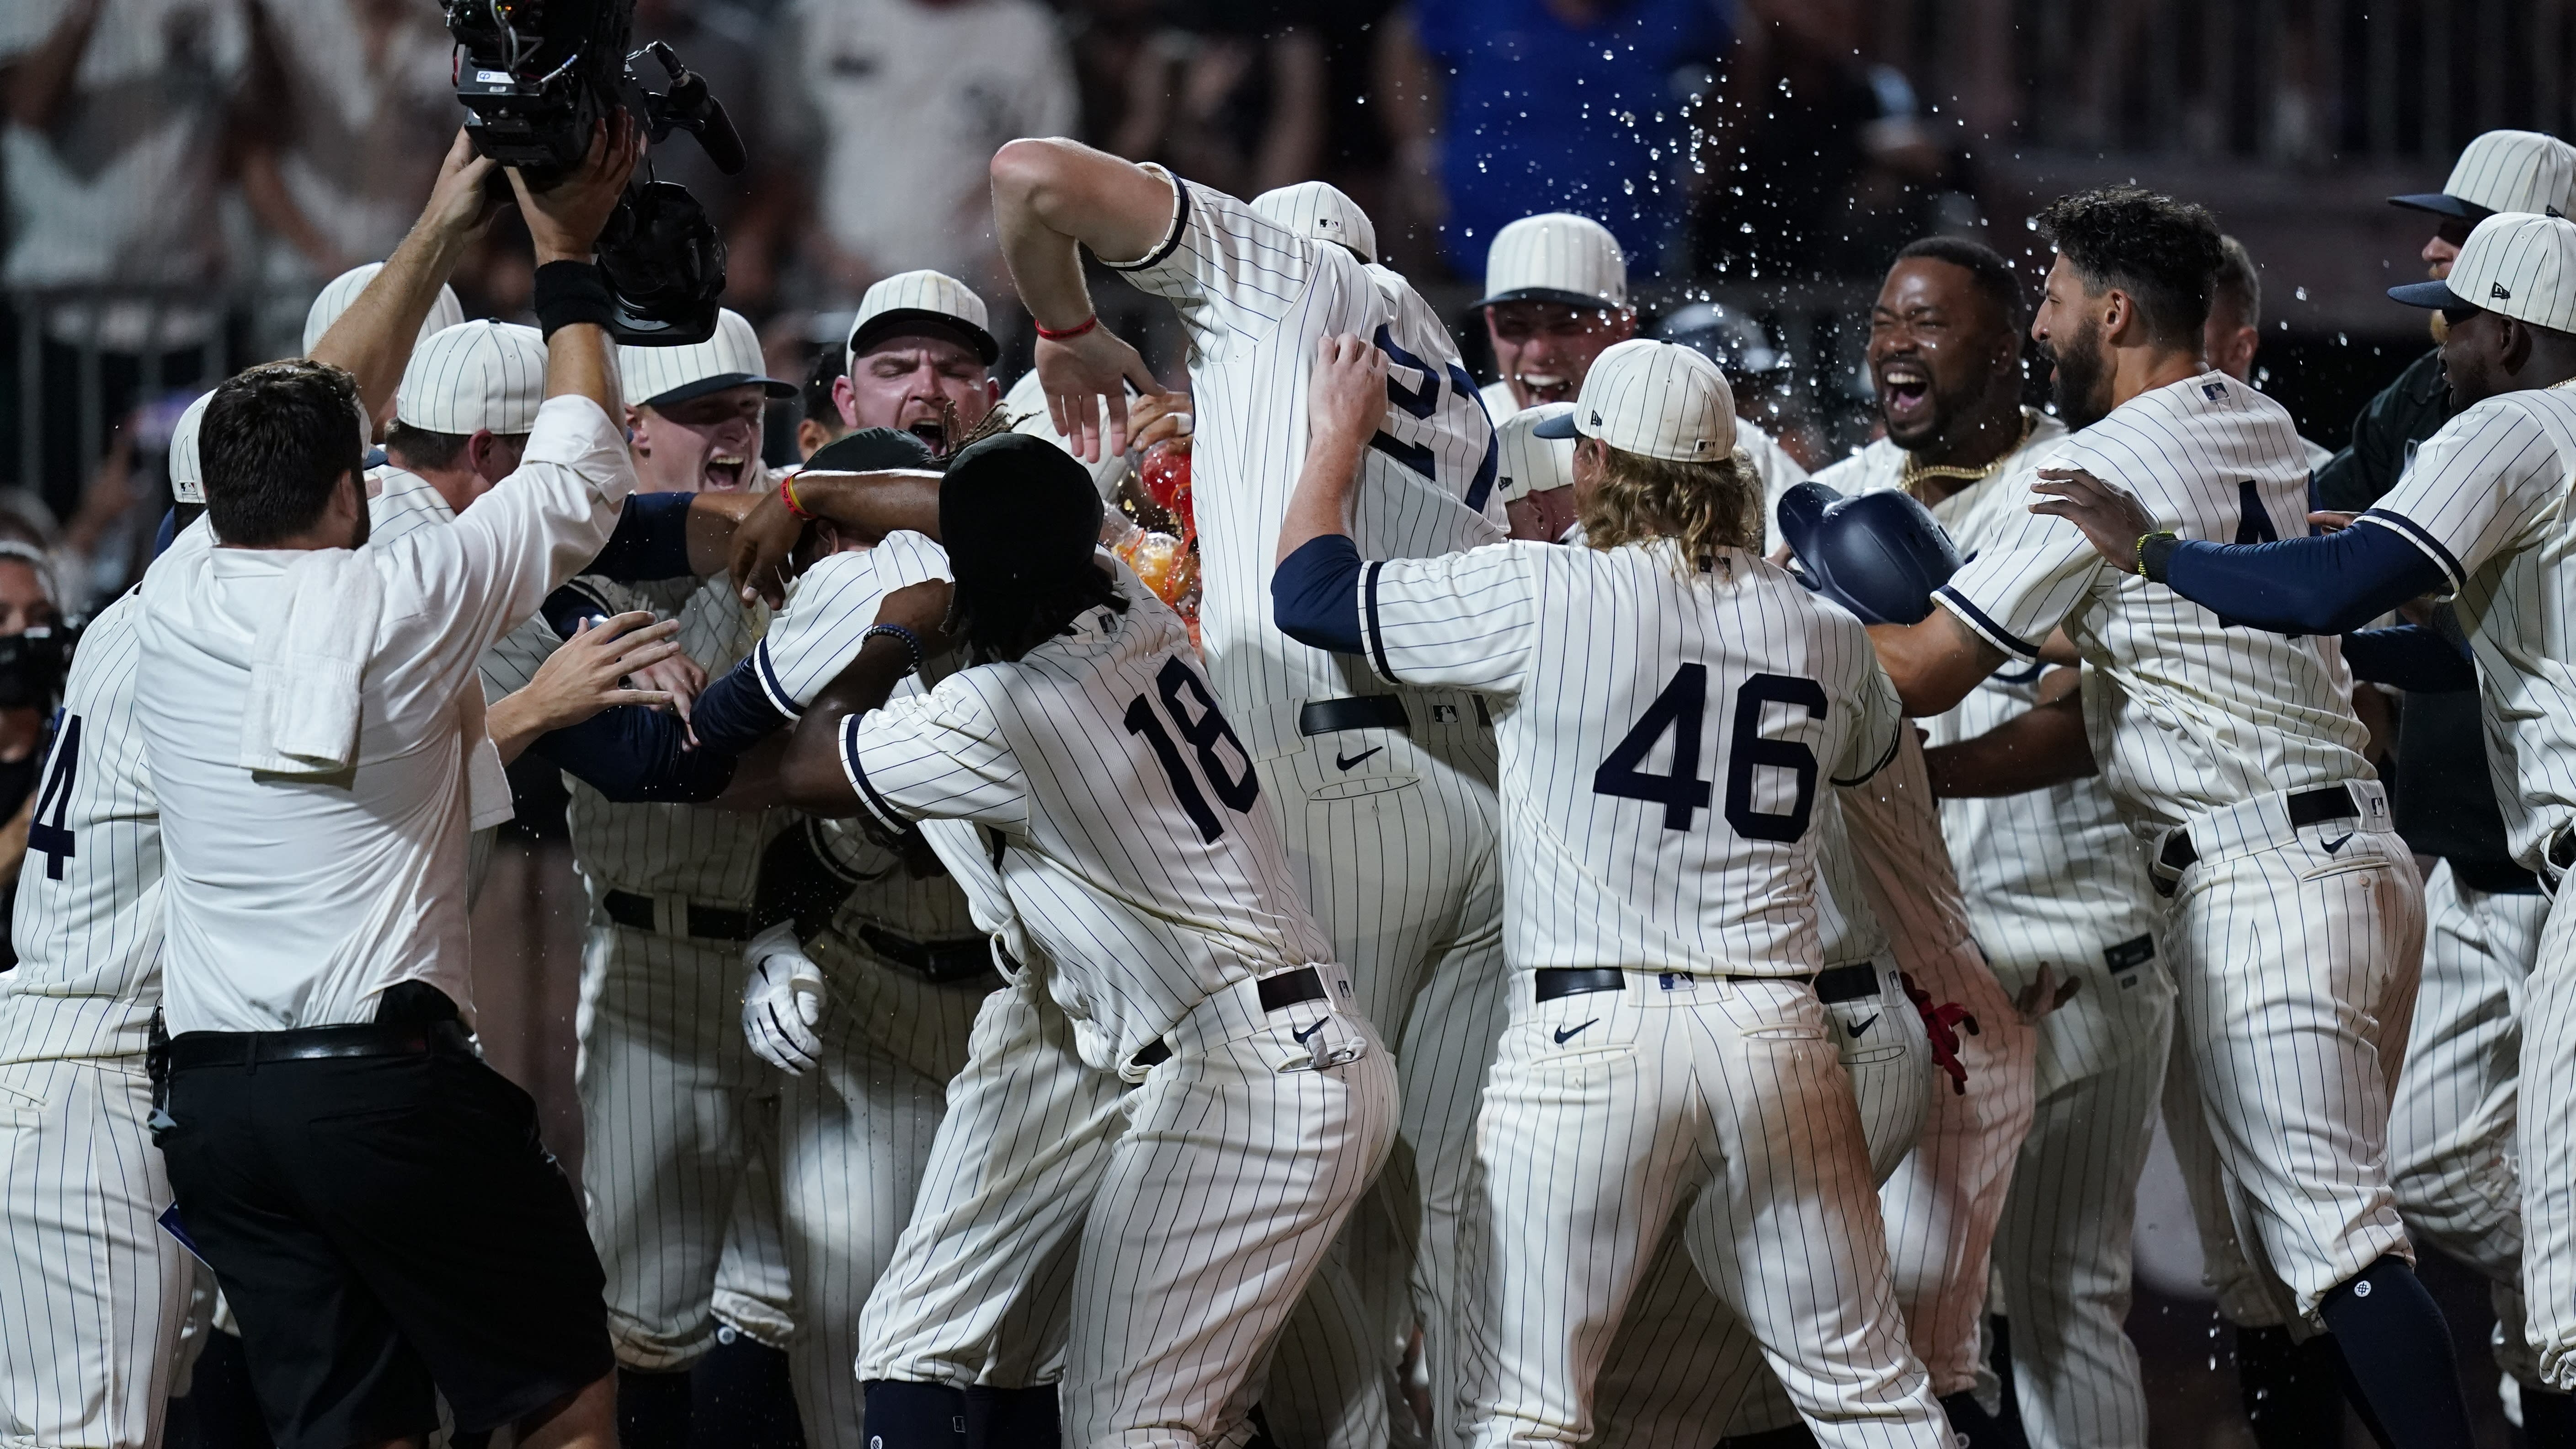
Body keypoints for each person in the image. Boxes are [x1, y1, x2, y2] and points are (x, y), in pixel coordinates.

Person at [1840, 185, 2471, 1449]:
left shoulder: (2103, 467)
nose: (2043, 328)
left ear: (2115, 311)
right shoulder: (2262, 421)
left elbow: (1918, 672)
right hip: (2336, 855)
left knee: (2338, 1249)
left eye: (2059, 301)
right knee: (2283, 1275)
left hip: (2269, 876)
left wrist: (1765, 627)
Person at [1272, 332, 1948, 1447]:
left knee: (1531, 1408)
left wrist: (1336, 443)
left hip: (1595, 1034)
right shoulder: (1823, 631)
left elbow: (1310, 593)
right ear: (1730, 474)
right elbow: (1883, 772)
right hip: (1780, 1028)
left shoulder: (1544, 590)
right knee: (1869, 1390)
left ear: (1594, 463)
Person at [131, 117, 645, 1449]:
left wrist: (438, 217)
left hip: (216, 1111)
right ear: (349, 491)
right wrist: (562, 253)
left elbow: (316, 402)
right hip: (377, 1086)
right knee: (564, 1411)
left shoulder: (174, 587)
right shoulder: (407, 591)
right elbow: (586, 473)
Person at [2025, 208, 2576, 1440]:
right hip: (2383, 863)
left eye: (2455, 316)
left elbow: (2327, 585)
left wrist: (2155, 550)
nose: (2437, 339)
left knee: (2409, 1260)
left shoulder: (2516, 424)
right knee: (2403, 1206)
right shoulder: (2513, 439)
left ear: (2509, 331)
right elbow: (2470, 661)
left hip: (2303, 872)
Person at [992, 142, 1504, 1445]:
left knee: (1298, 1191)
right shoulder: (1446, 371)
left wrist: (1065, 327)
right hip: (1471, 802)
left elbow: (1030, 175)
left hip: (1326, 781)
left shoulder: (1277, 281)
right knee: (1451, 1216)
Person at [755, 431, 1395, 1449]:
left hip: (1247, 1071)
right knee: (1092, 1391)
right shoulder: (1128, 604)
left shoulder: (1005, 710)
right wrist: (812, 491)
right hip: (1207, 1030)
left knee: (1140, 1423)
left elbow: (800, 763)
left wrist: (900, 634)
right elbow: (1008, 522)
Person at [1811, 236, 2168, 1449]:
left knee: (2063, 1302)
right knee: (1923, 1313)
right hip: (1923, 977)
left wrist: (1912, 780)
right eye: (1879, 323)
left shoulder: (2076, 485)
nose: (1891, 344)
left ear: (2009, 341)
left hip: (2070, 942)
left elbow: (2090, 726)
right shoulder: (1842, 492)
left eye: (1926, 323)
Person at [1473, 212, 1810, 515]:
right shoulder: (1461, 435)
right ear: (1490, 325)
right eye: (1515, 326)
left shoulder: (1707, 438)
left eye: (1567, 325)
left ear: (1622, 327)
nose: (1538, 351)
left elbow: (1814, 555)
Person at [1375, 0, 1728, 279]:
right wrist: (1419, 150)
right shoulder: (1472, 7)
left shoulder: (1679, 9)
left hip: (1635, 255)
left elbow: (1741, 47)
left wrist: (1708, 161)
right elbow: (1406, 39)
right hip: (1477, 246)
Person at [770, 0, 1076, 298]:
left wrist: (1015, 259)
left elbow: (1053, 164)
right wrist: (819, 245)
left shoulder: (1024, 29)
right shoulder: (819, 15)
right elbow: (783, 152)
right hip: (836, 287)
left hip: (969, 292)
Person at [833, 271, 1007, 458]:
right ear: (849, 402)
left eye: (955, 373)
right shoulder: (803, 486)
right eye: (895, 371)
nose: (928, 390)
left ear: (990, 403)